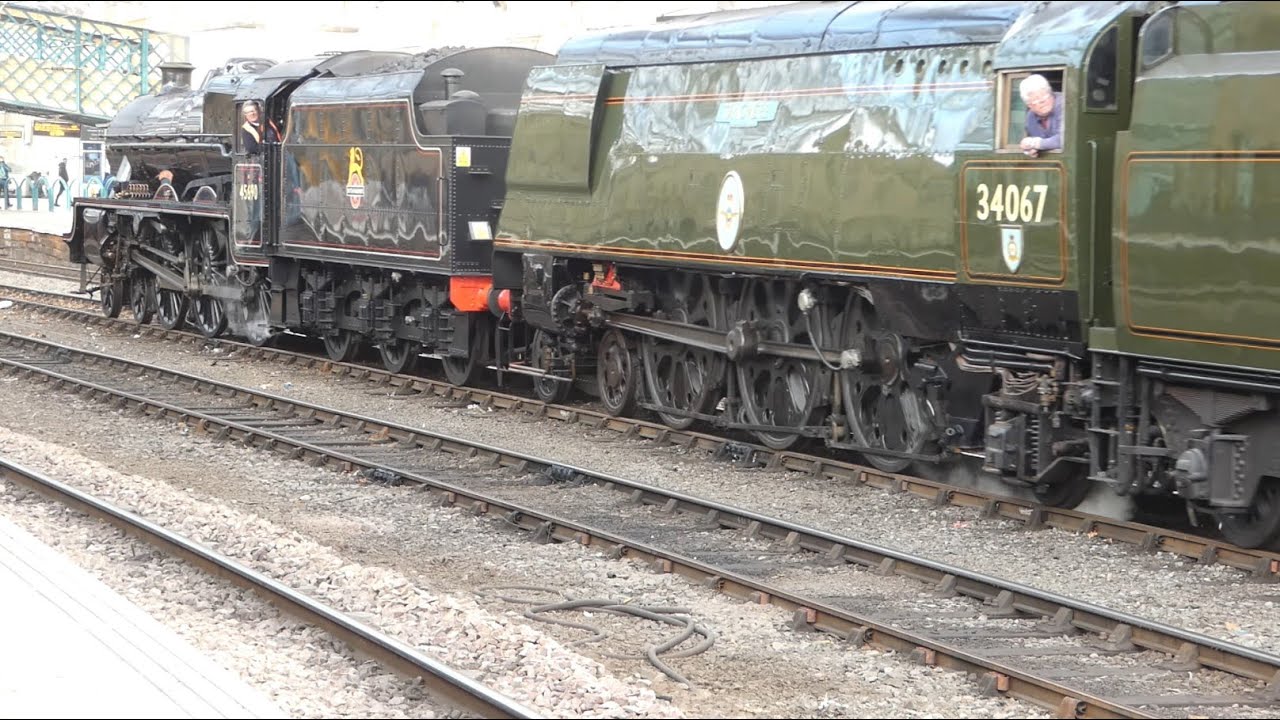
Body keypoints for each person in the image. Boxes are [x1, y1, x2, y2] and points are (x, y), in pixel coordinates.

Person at [1018, 74, 1063, 158]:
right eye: (1036, 102)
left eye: (1044, 99)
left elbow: (1064, 139)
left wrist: (1036, 143)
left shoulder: (1064, 105)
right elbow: (1030, 144)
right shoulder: (1030, 117)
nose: (1042, 104)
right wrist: (1028, 150)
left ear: (1050, 92)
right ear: (1029, 105)